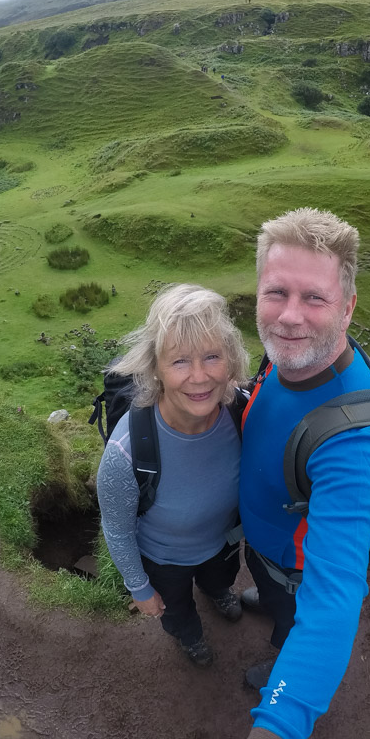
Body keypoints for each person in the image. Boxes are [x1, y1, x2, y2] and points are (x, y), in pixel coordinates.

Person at [210, 208, 370, 739]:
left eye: (314, 299)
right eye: (276, 292)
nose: (290, 317)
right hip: (266, 547)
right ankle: (269, 603)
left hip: (295, 565)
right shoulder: (289, 357)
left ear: (348, 307)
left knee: (295, 614)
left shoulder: (351, 444)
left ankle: (279, 659)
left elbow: (336, 601)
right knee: (267, 590)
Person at [97, 284, 250, 666]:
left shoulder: (241, 411)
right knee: (176, 608)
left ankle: (218, 592)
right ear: (155, 369)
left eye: (212, 356)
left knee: (221, 578)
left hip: (222, 544)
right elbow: (116, 529)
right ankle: (190, 636)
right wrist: (140, 587)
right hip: (163, 561)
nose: (199, 377)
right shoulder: (125, 453)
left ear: (230, 359)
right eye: (180, 361)